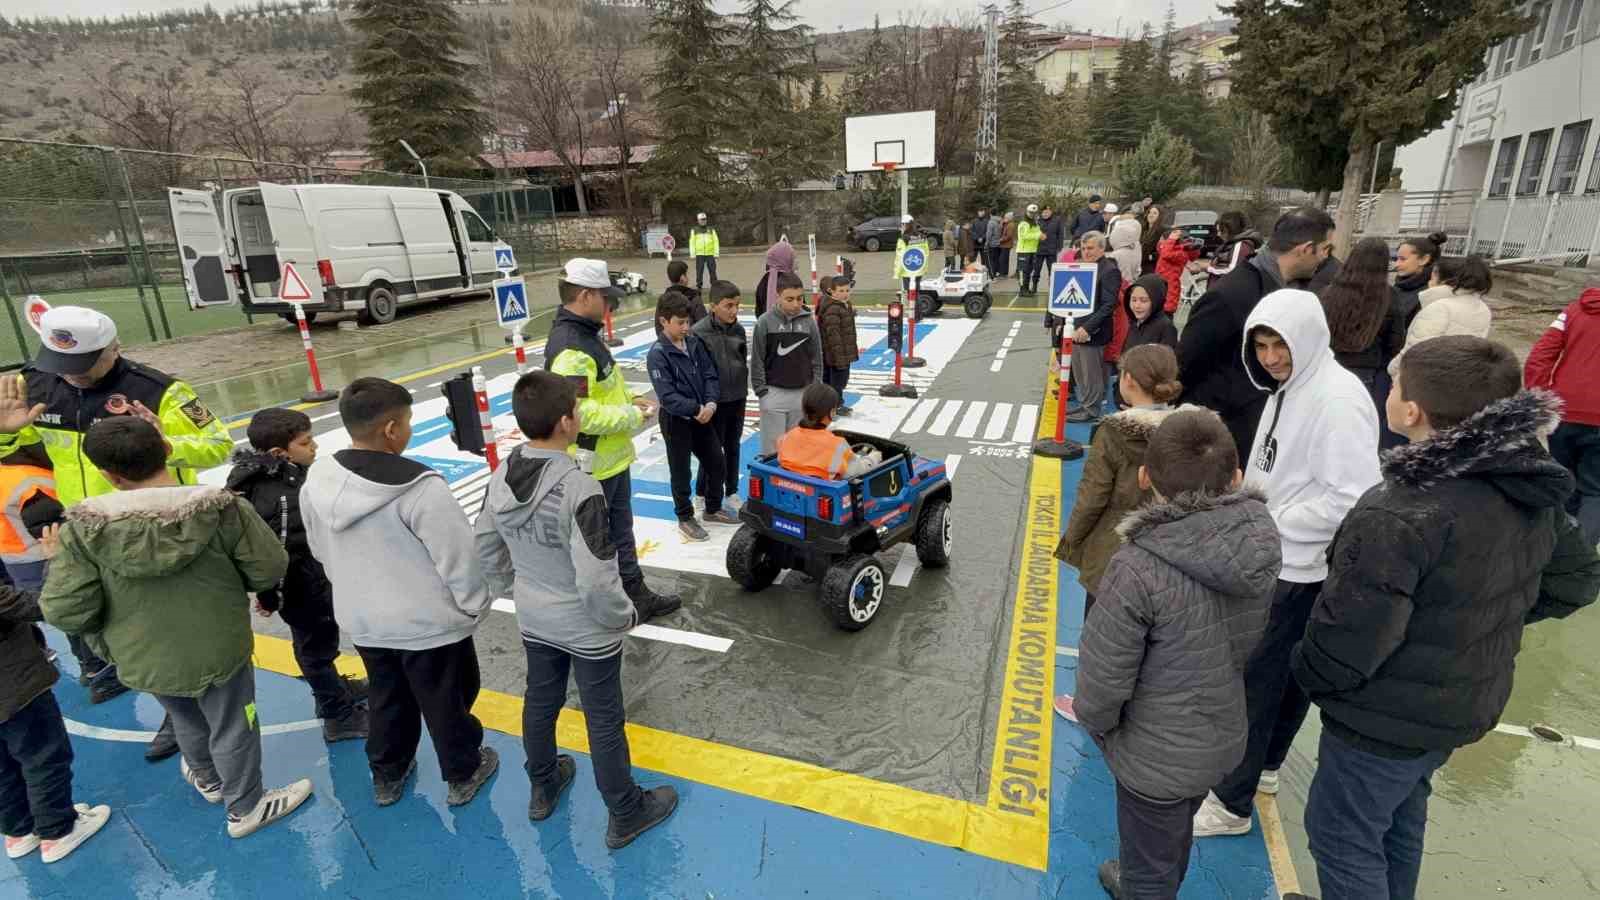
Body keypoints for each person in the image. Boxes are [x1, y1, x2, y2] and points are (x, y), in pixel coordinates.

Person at [1293, 336, 1600, 899]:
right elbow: (1577, 580)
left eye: (1398, 385)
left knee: (1341, 835)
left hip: (1382, 716)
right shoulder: (1526, 484)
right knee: (1399, 820)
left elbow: (1349, 637)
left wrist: (1310, 677)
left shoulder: (1399, 511)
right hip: (1459, 702)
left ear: (1411, 410)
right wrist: (1483, 619)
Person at [43, 417, 312, 838]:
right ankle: (246, 806)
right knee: (234, 723)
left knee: (183, 716)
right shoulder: (222, 508)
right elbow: (268, 566)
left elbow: (65, 610)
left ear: (107, 474)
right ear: (167, 449)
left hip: (142, 655)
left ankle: (208, 779)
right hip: (218, 646)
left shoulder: (83, 530)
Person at [0, 306, 232, 760]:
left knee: (175, 629)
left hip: (155, 531)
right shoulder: (36, 384)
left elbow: (219, 444)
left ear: (114, 350)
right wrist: (4, 434)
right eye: (63, 365)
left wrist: (167, 444)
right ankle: (175, 710)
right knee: (125, 632)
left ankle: (194, 713)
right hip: (88, 533)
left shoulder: (161, 391)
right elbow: (16, 451)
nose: (75, 378)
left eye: (85, 365)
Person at [1193, 289, 1381, 839]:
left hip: (1294, 568)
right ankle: (1268, 767)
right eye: (1262, 344)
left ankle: (1229, 804)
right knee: (1284, 679)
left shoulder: (1336, 400)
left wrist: (1271, 521)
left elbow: (1352, 495)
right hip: (1275, 558)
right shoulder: (1287, 390)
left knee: (1252, 686)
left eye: (1279, 344)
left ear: (1308, 337)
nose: (1272, 356)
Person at [1073, 408, 1281, 900]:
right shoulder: (1260, 540)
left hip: (1155, 751)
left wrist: (1097, 722)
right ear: (1235, 476)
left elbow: (1104, 678)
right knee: (1176, 828)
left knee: (1148, 862)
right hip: (1222, 729)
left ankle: (1146, 885)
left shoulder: (1138, 566)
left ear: (1146, 478)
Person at [474, 371, 679, 849]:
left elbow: (485, 545)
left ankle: (543, 783)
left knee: (540, 700)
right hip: (587, 627)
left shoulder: (501, 474)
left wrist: (515, 585)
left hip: (534, 615)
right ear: (568, 422)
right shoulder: (579, 487)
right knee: (603, 718)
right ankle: (625, 810)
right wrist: (621, 616)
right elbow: (595, 575)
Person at [300, 378, 498, 809]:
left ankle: (388, 773)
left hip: (365, 621)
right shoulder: (421, 488)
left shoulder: (318, 479)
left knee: (387, 698)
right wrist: (472, 608)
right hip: (429, 626)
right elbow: (458, 560)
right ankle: (463, 771)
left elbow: (318, 548)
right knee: (448, 701)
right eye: (406, 422)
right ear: (391, 429)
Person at [545, 258, 680, 620]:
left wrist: (627, 401)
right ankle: (605, 605)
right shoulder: (572, 347)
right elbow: (578, 412)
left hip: (608, 460)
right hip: (591, 467)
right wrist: (632, 416)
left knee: (618, 533)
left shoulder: (585, 337)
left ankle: (633, 594)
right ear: (586, 295)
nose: (610, 307)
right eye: (607, 299)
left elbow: (598, 395)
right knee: (599, 542)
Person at [225, 408, 368, 743]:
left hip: (307, 579)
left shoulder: (275, 477)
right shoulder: (281, 498)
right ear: (279, 453)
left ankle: (332, 688)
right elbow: (275, 554)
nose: (314, 447)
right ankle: (337, 714)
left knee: (319, 643)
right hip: (302, 585)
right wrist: (269, 596)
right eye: (306, 442)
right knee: (314, 647)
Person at [1051, 344, 1185, 681]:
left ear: (1126, 380)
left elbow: (1093, 496)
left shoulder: (1113, 432)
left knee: (1100, 630)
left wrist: (1073, 540)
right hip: (1167, 549)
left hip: (1114, 547)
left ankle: (1091, 702)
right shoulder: (1187, 429)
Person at [1177, 207, 1338, 464]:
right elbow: (1186, 361)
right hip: (1224, 438)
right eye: (1326, 249)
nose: (1328, 259)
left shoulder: (1287, 289)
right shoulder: (1232, 295)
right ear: (1307, 248)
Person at [1, 579, 110, 863]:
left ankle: (19, 830)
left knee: (3, 767)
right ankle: (57, 831)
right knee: (43, 755)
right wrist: (55, 568)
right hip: (12, 684)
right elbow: (20, 604)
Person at [647, 292, 735, 543]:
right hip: (678, 422)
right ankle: (685, 517)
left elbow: (710, 374)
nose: (686, 327)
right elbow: (667, 397)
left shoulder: (694, 342)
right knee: (681, 471)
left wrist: (710, 403)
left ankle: (713, 508)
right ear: (664, 321)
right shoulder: (658, 354)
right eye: (680, 323)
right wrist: (697, 410)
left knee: (717, 461)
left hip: (704, 416)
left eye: (687, 322)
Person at [1525, 284, 1600, 546]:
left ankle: (1547, 546)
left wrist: (1541, 397)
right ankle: (1578, 555)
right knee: (1595, 491)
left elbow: (1539, 356)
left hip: (1565, 410)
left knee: (1561, 481)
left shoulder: (1574, 310)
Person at [1320, 238, 1409, 449]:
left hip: (1328, 366)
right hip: (1367, 374)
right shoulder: (1390, 296)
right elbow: (1396, 341)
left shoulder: (1328, 293)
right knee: (1356, 429)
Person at [751, 271, 822, 456]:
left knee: (798, 452)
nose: (796, 304)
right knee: (772, 454)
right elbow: (757, 359)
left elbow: (816, 358)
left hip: (802, 395)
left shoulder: (809, 322)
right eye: (789, 299)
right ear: (778, 296)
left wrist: (815, 389)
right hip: (773, 394)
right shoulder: (764, 322)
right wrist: (762, 392)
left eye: (800, 298)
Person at [693, 281, 749, 511]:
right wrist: (704, 402)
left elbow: (741, 360)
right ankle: (701, 492)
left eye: (736, 305)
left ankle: (732, 491)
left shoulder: (739, 330)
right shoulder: (698, 332)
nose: (734, 311)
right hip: (712, 403)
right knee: (711, 451)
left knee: (733, 446)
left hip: (737, 397)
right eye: (728, 306)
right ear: (713, 306)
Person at [1392, 254, 1493, 370]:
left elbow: (1416, 350)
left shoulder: (1438, 308)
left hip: (1424, 378)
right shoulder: (1482, 308)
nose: (1429, 283)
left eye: (1432, 278)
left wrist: (1392, 369)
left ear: (1445, 281)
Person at [1066, 232, 1122, 425]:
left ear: (1101, 248)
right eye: (1083, 248)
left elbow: (1108, 304)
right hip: (1078, 327)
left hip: (1093, 332)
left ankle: (1092, 409)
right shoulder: (1086, 267)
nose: (1086, 252)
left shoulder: (1109, 270)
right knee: (1080, 372)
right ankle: (1085, 404)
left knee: (1091, 373)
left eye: (1090, 248)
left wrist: (1087, 328)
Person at [777, 384, 880, 480]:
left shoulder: (786, 437)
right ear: (831, 412)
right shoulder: (838, 445)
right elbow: (854, 471)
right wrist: (872, 459)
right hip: (824, 491)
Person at [816, 275, 859, 417]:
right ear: (831, 291)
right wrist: (839, 359)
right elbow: (833, 336)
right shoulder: (833, 309)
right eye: (841, 291)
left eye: (847, 290)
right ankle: (833, 406)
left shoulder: (843, 305)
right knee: (837, 381)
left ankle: (833, 405)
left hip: (840, 353)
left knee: (834, 381)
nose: (845, 294)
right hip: (836, 355)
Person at [1392, 231, 1447, 329]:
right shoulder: (1400, 285)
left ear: (1423, 260)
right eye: (1396, 259)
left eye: (1403, 259)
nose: (1396, 264)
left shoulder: (1431, 294)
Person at [1122, 275, 1179, 354]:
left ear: (1156, 301)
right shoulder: (1135, 322)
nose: (1137, 306)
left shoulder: (1166, 328)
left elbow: (1166, 362)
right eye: (1134, 300)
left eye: (1144, 301)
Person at [655, 259, 707, 337]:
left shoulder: (662, 299)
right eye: (686, 274)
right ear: (682, 277)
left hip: (669, 344)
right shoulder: (694, 297)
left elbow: (658, 327)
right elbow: (703, 325)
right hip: (691, 344)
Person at [1154, 229, 1201, 315]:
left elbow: (1166, 254)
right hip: (1161, 284)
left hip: (1169, 287)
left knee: (1166, 312)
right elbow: (1161, 248)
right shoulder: (1170, 249)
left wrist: (1193, 248)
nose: (1161, 242)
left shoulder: (1179, 252)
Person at [1207, 212, 1262, 279]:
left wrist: (1207, 268)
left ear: (1231, 229)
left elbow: (1233, 271)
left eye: (1221, 231)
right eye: (1217, 231)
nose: (1218, 234)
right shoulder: (1231, 243)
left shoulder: (1241, 245)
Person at [754, 238, 796, 318]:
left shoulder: (764, 280)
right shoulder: (792, 281)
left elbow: (758, 311)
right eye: (792, 257)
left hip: (767, 327)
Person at [1015, 205, 1043, 296]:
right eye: (1030, 213)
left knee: (1029, 271)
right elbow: (1024, 236)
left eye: (1034, 213)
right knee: (1023, 271)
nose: (1032, 215)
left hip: (1032, 250)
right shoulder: (1023, 223)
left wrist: (1040, 235)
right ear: (1026, 212)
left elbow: (1037, 233)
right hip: (1023, 251)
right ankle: (1022, 290)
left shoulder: (1035, 223)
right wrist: (1038, 236)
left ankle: (1026, 289)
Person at [689, 212, 720, 290]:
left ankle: (714, 285)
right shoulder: (694, 230)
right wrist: (692, 253)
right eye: (701, 220)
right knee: (699, 271)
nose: (703, 221)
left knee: (712, 270)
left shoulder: (711, 229)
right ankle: (699, 285)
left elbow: (716, 241)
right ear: (698, 220)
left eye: (704, 219)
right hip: (699, 254)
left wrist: (716, 253)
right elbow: (692, 242)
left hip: (710, 254)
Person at [1036, 205, 1064, 291]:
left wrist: (1059, 246)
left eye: (1048, 212)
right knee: (1037, 269)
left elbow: (1060, 234)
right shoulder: (1037, 221)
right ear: (1041, 213)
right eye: (1044, 212)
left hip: (1051, 249)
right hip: (1039, 249)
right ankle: (1034, 286)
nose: (1046, 214)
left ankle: (1052, 288)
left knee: (1052, 271)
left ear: (1051, 212)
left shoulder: (1057, 220)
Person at [1139, 203, 1164, 272]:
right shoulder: (1143, 229)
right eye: (1149, 212)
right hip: (1139, 265)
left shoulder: (1161, 231)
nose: (1151, 215)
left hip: (1151, 267)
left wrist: (1150, 257)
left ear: (1160, 216)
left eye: (1155, 213)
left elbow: (1162, 250)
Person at [996, 212, 1016, 279]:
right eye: (1004, 217)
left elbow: (1009, 236)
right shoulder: (1005, 224)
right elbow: (1000, 230)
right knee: (1004, 259)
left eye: (1006, 217)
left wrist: (1000, 240)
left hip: (1006, 245)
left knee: (1002, 260)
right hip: (1003, 245)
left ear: (1009, 218)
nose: (1004, 218)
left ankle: (1003, 274)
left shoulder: (1011, 225)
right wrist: (1002, 223)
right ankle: (1004, 273)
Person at [971, 209, 991, 273]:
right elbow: (972, 231)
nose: (981, 213)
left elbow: (987, 231)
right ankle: (972, 270)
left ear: (984, 213)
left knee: (984, 259)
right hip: (975, 243)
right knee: (973, 258)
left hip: (983, 243)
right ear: (978, 212)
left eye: (982, 212)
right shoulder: (974, 221)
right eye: (980, 212)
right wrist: (977, 238)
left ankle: (984, 272)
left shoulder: (987, 221)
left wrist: (982, 238)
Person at [985, 210, 1004, 277]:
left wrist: (987, 242)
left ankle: (992, 274)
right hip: (999, 243)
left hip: (992, 243)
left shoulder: (991, 222)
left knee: (991, 260)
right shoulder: (1000, 221)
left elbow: (989, 234)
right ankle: (996, 272)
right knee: (996, 259)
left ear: (990, 214)